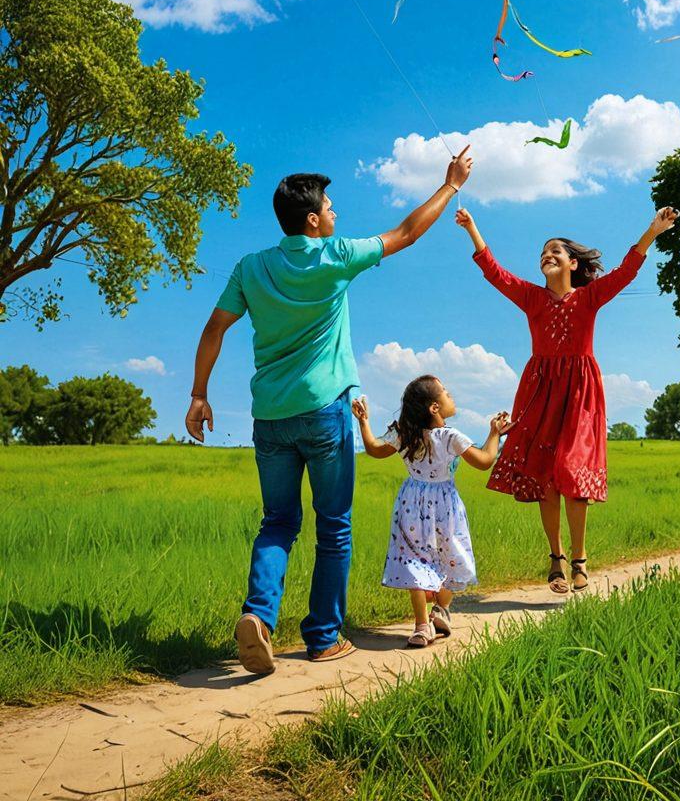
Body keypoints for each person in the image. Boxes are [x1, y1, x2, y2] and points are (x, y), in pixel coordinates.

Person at [184, 148, 474, 674]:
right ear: (313, 220)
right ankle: (322, 637)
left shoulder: (251, 267)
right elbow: (407, 233)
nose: (336, 212)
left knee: (278, 521)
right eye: (330, 207)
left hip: (270, 417)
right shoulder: (336, 255)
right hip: (324, 411)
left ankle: (258, 616)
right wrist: (451, 185)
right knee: (333, 526)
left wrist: (198, 394)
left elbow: (213, 328)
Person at [455, 204, 678, 595]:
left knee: (571, 470)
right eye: (543, 252)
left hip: (579, 392)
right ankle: (556, 558)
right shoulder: (531, 297)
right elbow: (494, 272)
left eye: (554, 251)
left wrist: (652, 231)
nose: (547, 255)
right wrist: (472, 228)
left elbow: (626, 271)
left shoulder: (589, 298)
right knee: (546, 474)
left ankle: (580, 557)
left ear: (573, 263)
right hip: (540, 391)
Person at [352, 377, 510, 647]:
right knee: (452, 556)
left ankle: (422, 625)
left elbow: (374, 450)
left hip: (411, 503)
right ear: (434, 408)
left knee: (415, 561)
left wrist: (364, 421)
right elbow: (485, 461)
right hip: (445, 506)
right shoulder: (450, 436)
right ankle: (440, 609)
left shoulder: (405, 434)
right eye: (446, 392)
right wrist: (495, 433)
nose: (451, 396)